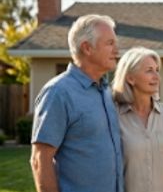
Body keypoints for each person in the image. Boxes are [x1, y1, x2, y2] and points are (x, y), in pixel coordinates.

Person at [30, 14, 124, 192]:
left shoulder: (106, 92)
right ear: (87, 48)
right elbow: (40, 159)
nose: (117, 50)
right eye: (110, 43)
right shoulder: (58, 93)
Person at [112, 47, 163, 192]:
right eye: (149, 71)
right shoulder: (114, 116)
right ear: (130, 78)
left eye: (157, 70)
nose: (157, 77)